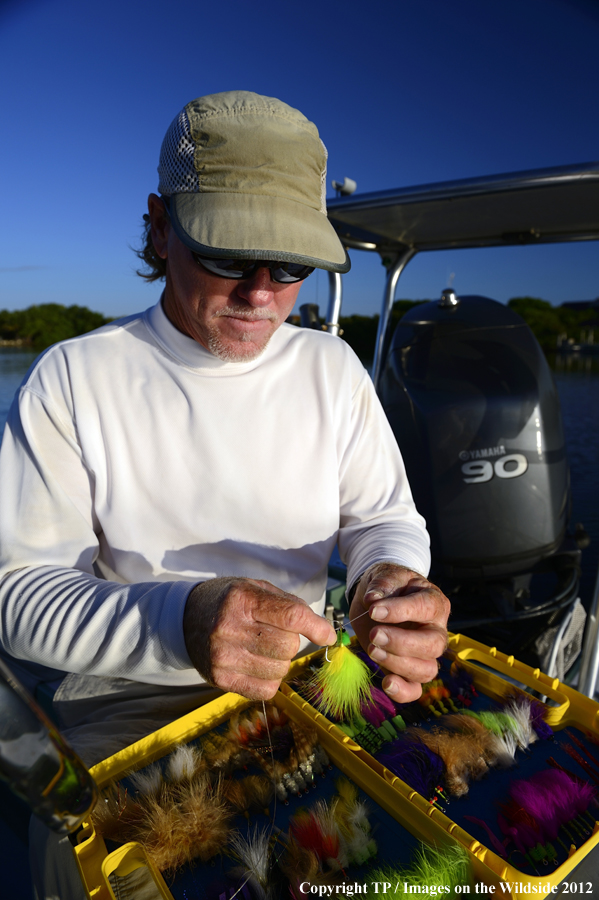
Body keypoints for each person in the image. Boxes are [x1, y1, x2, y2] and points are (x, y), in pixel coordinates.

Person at [0, 90, 448, 897]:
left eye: (290, 265)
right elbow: (17, 598)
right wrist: (184, 619)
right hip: (125, 705)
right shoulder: (73, 377)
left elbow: (383, 516)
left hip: (312, 687)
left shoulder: (332, 368)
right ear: (160, 226)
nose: (262, 293)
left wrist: (390, 577)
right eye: (230, 256)